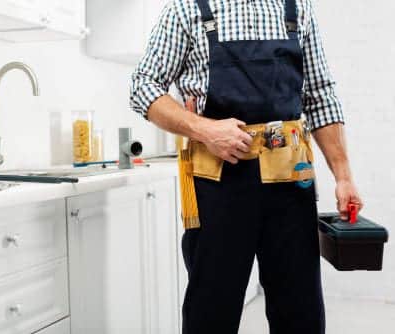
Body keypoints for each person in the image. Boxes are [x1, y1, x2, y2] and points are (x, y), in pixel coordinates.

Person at [130, 0, 363, 333]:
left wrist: (344, 177)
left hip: (291, 182)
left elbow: (320, 94)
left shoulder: (297, 7)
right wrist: (204, 129)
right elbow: (143, 85)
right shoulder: (187, 8)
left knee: (301, 313)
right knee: (211, 310)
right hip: (218, 184)